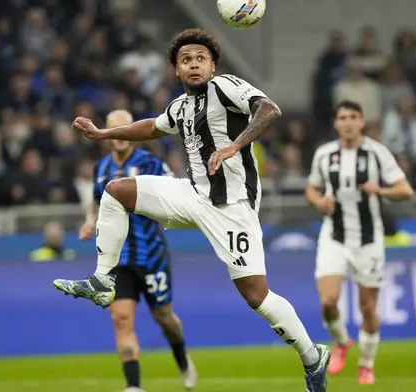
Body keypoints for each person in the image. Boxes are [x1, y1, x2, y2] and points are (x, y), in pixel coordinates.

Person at [54, 28, 331, 392]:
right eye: (186, 60)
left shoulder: (225, 86)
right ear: (177, 71)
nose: (194, 64)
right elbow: (152, 127)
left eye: (201, 58)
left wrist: (235, 146)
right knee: (116, 191)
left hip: (232, 207)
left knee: (256, 296)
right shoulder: (182, 106)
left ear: (212, 65)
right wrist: (104, 134)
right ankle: (104, 281)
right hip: (192, 194)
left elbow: (269, 110)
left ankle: (312, 356)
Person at [78, 110, 197, 392]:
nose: (119, 134)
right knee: (121, 318)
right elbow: (96, 204)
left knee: (165, 319)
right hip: (117, 259)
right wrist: (89, 221)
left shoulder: (151, 163)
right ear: (106, 134)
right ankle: (133, 386)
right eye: (113, 128)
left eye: (124, 127)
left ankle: (181, 358)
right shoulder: (101, 169)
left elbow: (177, 193)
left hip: (151, 256)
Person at [305, 100, 414, 385]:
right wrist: (319, 201)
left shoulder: (377, 153)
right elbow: (311, 189)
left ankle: (366, 363)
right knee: (328, 302)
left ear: (362, 122)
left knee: (368, 307)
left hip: (368, 239)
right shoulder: (325, 154)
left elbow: (405, 190)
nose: (349, 122)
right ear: (336, 123)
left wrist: (381, 190)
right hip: (334, 236)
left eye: (354, 116)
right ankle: (342, 341)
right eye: (343, 117)